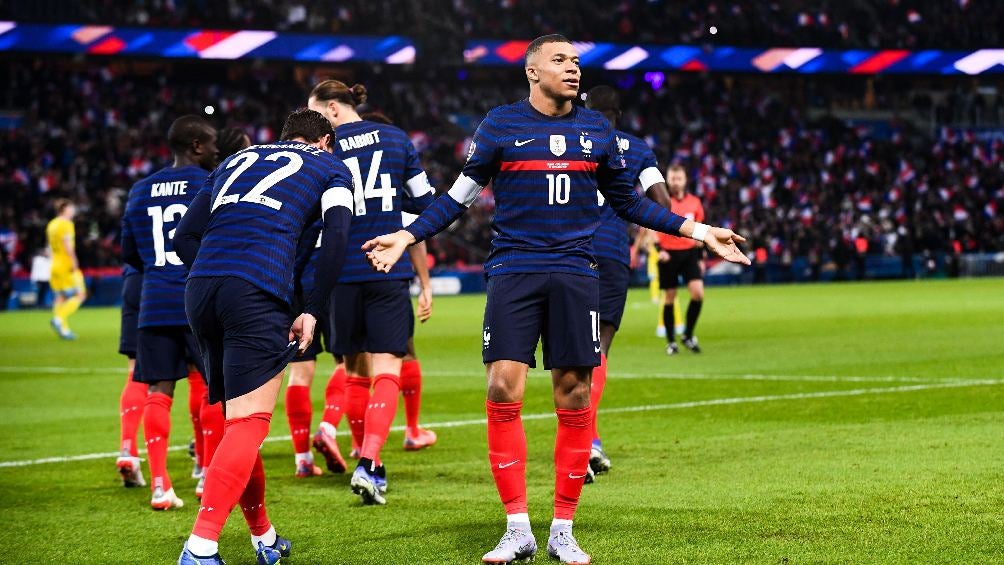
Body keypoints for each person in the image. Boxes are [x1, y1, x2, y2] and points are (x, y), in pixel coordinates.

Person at [363, 35, 749, 565]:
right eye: (561, 61)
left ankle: (563, 527)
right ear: (531, 71)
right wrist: (407, 235)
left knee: (573, 395)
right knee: (502, 385)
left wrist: (698, 230)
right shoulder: (500, 125)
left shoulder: (597, 130)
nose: (573, 70)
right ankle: (517, 526)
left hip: (575, 272)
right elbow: (457, 198)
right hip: (514, 270)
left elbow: (631, 202)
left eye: (576, 62)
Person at [173, 109, 353, 565]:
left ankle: (264, 537)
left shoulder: (236, 160)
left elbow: (184, 237)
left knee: (238, 424)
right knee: (250, 423)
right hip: (256, 289)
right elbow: (337, 236)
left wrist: (221, 273)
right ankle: (200, 546)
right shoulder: (332, 166)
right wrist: (311, 307)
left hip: (201, 289)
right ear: (325, 141)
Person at [306, 80, 435, 504]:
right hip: (385, 267)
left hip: (338, 272)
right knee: (386, 370)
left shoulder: (321, 149)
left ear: (333, 109)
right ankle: (370, 464)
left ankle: (364, 455)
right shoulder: (398, 139)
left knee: (354, 372)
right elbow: (424, 204)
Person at [121, 115, 219, 510]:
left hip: (154, 302)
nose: (216, 151)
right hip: (197, 300)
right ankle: (208, 475)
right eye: (212, 143)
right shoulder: (208, 182)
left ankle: (161, 485)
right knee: (214, 390)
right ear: (196, 145)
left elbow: (130, 253)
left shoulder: (140, 189)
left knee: (159, 393)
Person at [582, 85, 671, 482]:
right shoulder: (637, 149)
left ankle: (586, 440)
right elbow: (662, 201)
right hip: (614, 253)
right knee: (600, 349)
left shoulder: (571, 139)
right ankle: (590, 441)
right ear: (619, 114)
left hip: (570, 252)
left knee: (575, 351)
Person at [652, 165, 706, 355]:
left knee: (698, 293)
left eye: (679, 178)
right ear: (668, 179)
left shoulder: (695, 202)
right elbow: (652, 227)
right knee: (670, 297)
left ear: (684, 180)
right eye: (672, 178)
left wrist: (701, 257)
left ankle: (688, 335)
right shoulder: (663, 201)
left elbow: (700, 231)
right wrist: (659, 249)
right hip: (669, 254)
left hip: (690, 253)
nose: (675, 182)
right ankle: (670, 341)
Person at [114, 262, 147, 488]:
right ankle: (203, 467)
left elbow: (128, 251)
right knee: (199, 375)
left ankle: (127, 449)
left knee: (135, 372)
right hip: (175, 281)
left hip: (135, 281)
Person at [46, 199, 85, 339]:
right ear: (65, 209)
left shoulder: (52, 224)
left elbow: (49, 247)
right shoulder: (66, 224)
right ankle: (58, 319)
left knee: (60, 297)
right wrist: (74, 260)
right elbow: (67, 244)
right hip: (66, 265)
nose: (73, 211)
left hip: (54, 264)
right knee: (80, 295)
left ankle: (63, 330)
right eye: (71, 208)